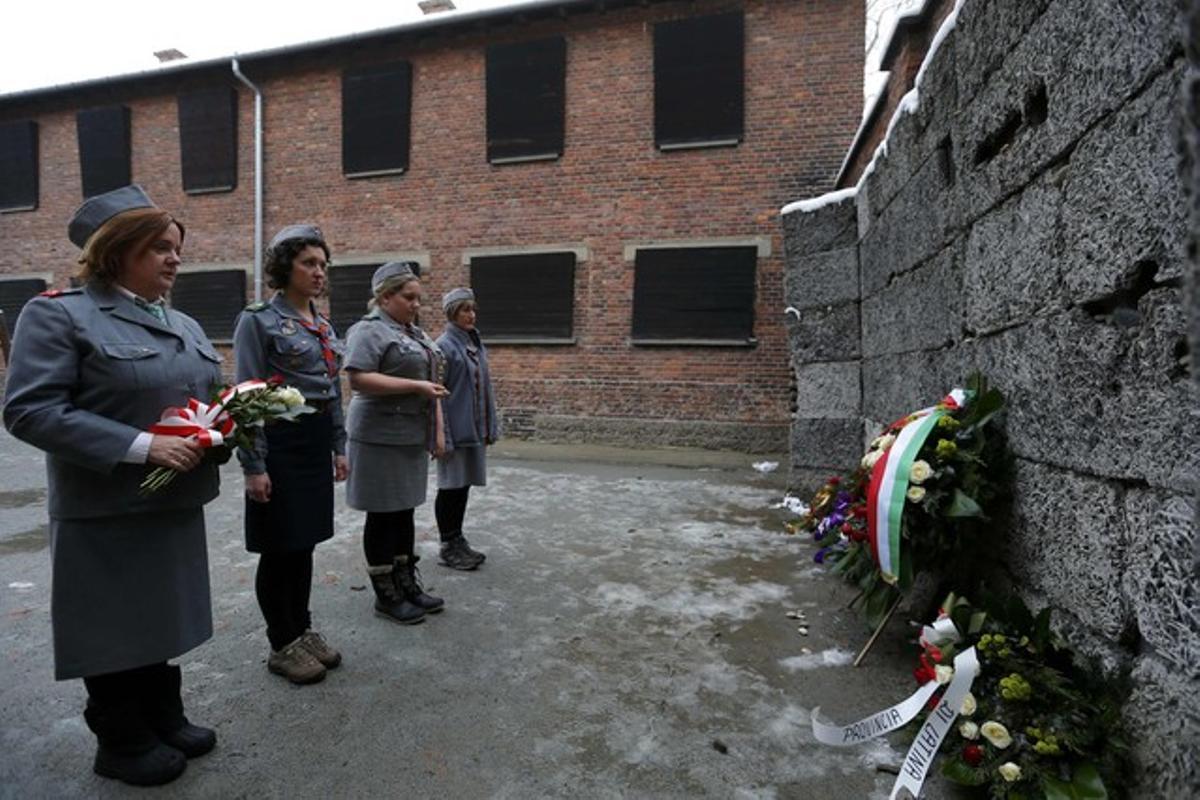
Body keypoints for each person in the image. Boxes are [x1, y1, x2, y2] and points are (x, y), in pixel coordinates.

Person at [3, 185, 222, 786]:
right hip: (107, 505)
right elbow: (29, 410)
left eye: (177, 248)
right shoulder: (58, 313)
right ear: (115, 251)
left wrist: (229, 425)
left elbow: (201, 398)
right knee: (113, 626)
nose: (175, 259)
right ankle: (121, 740)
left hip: (172, 500)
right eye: (159, 248)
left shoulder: (181, 321)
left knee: (159, 616)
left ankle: (162, 715)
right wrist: (143, 447)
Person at [232, 224, 349, 685]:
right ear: (286, 267)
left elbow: (332, 392)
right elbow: (246, 396)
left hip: (314, 442)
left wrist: (339, 446)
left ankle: (301, 628)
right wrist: (254, 465)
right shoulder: (257, 320)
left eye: (323, 264)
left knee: (304, 542)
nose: (319, 272)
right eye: (309, 263)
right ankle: (282, 643)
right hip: (279, 442)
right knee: (279, 545)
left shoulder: (322, 324)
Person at [343, 261, 448, 624]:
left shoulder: (413, 333)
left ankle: (406, 583)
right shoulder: (368, 330)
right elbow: (358, 379)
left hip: (408, 436)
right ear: (385, 297)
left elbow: (433, 380)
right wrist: (414, 386)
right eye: (409, 297)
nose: (416, 305)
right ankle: (385, 594)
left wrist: (436, 430)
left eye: (418, 298)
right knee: (383, 513)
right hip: (378, 436)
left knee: (404, 511)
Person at [434, 287, 497, 570]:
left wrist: (488, 426)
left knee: (463, 486)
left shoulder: (474, 342)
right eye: (464, 310)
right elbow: (437, 394)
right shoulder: (444, 346)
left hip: (473, 429)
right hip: (454, 430)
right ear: (451, 313)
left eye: (473, 309)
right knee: (450, 486)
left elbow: (484, 388)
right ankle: (448, 544)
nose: (471, 315)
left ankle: (457, 538)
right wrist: (442, 434)